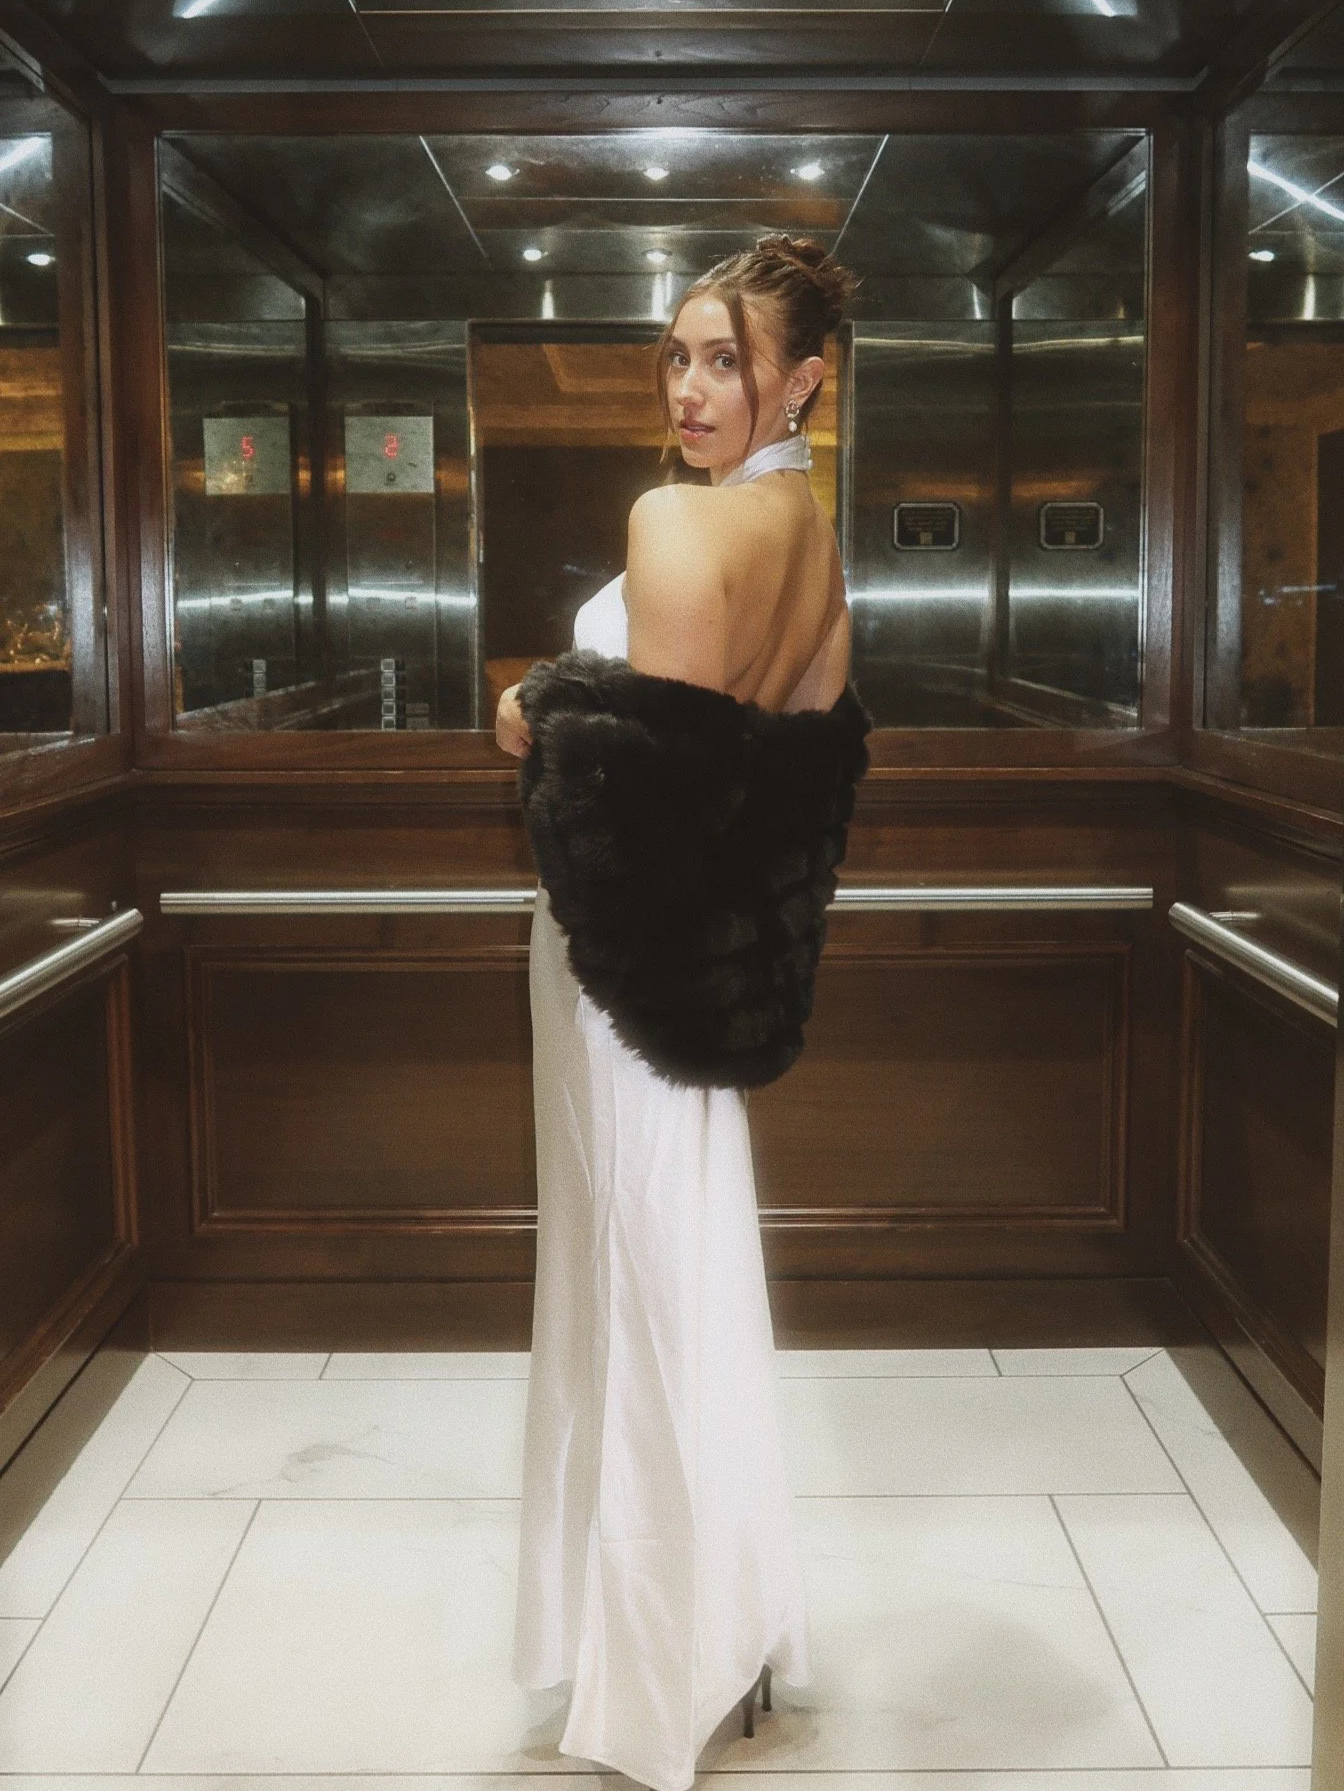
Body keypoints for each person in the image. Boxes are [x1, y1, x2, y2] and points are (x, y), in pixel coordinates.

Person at [495, 233, 860, 1791]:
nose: (691, 388)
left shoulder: (675, 521)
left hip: (621, 975)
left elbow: (639, 810)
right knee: (688, 1274)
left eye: (728, 359)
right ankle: (731, 1631)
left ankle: (653, 1678)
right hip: (698, 980)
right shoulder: (815, 544)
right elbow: (767, 778)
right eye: (680, 355)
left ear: (804, 379)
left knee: (634, 1286)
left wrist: (532, 710)